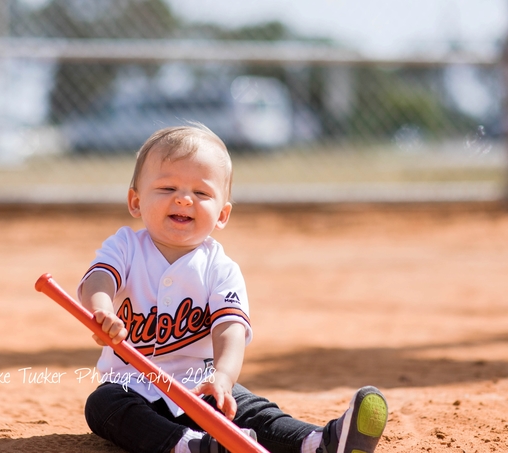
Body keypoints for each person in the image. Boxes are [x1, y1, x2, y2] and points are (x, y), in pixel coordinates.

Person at [77, 124, 388, 453]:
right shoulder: (125, 246)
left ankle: (320, 442)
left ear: (222, 214)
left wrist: (223, 378)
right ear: (135, 201)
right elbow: (99, 279)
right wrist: (102, 310)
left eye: (201, 193)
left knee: (249, 409)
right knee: (103, 404)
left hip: (199, 383)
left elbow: (230, 328)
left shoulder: (220, 268)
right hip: (132, 385)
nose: (184, 198)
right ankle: (190, 447)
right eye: (167, 187)